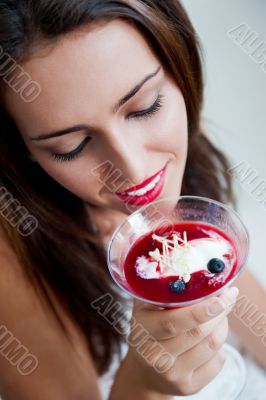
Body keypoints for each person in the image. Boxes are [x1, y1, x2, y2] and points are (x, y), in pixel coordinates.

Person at [0, 1, 265, 399]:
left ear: (180, 68)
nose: (135, 171)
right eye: (71, 148)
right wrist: (143, 381)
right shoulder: (13, 258)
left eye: (146, 108)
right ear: (22, 149)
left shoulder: (179, 156)